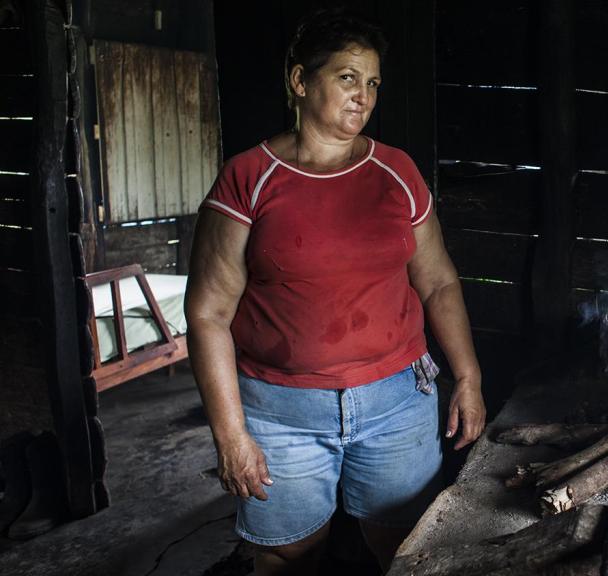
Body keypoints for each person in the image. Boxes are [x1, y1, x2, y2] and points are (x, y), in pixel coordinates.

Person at [184, 9, 484, 574]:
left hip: (398, 401)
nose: (363, 96)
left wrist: (468, 376)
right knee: (286, 553)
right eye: (347, 77)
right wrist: (231, 434)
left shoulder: (396, 172)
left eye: (372, 83)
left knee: (405, 546)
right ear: (300, 82)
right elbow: (207, 313)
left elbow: (438, 280)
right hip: (280, 410)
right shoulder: (249, 178)